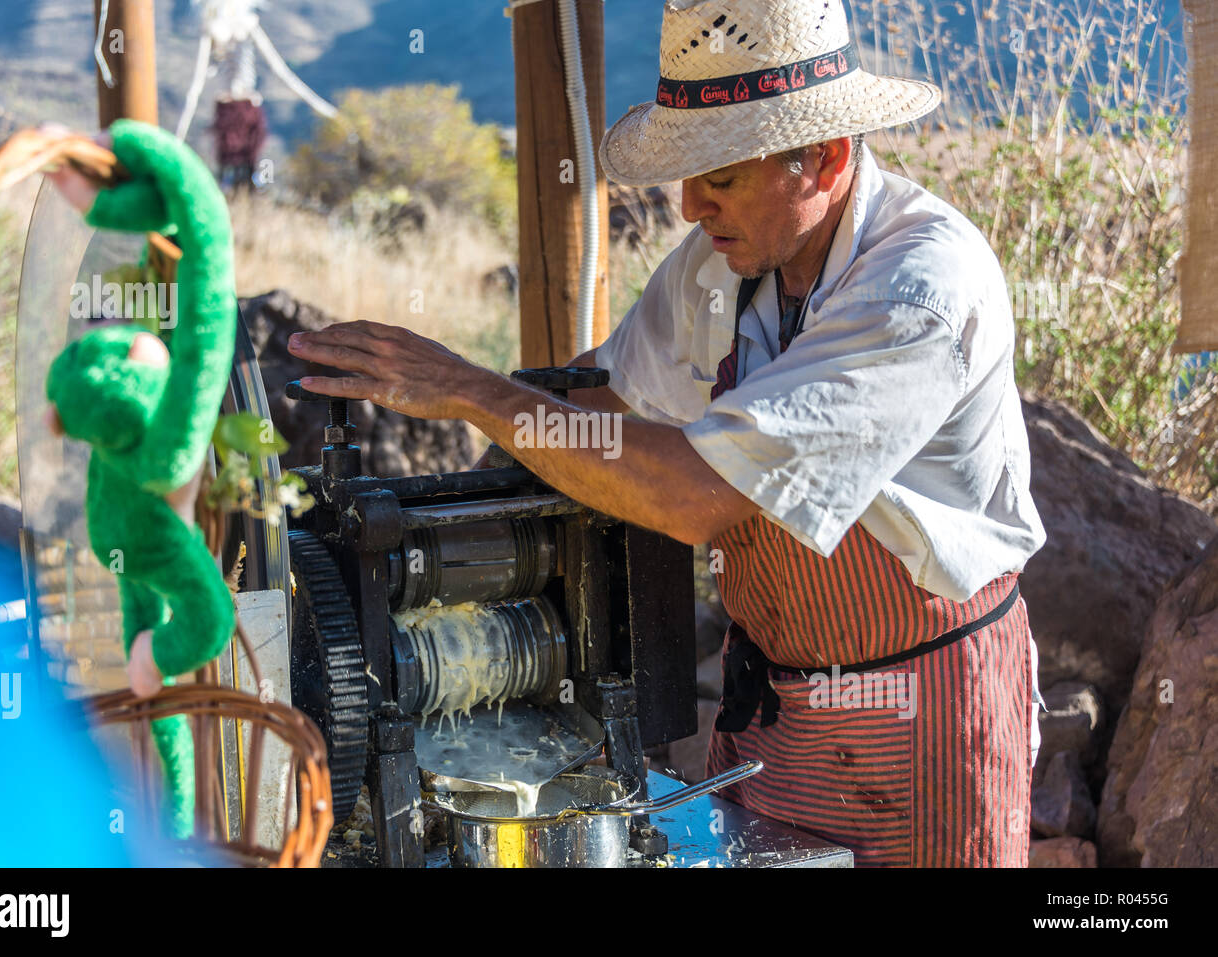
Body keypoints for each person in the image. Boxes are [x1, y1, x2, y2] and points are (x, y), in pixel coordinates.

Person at [288, 0, 1046, 866]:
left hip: (921, 718)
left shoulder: (916, 291)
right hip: (777, 709)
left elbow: (697, 493)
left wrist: (471, 390)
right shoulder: (721, 269)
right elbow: (611, 408)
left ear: (825, 157)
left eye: (718, 177)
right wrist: (448, 508)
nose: (690, 205)